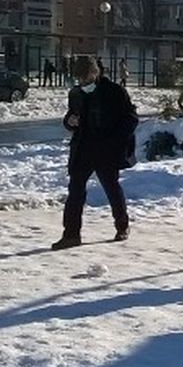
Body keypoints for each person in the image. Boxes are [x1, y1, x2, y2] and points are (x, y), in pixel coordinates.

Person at [53, 56, 140, 250]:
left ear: (95, 73)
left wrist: (116, 141)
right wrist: (69, 122)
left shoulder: (114, 92)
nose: (83, 83)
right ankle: (71, 234)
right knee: (75, 191)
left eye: (86, 78)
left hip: (106, 148)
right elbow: (70, 116)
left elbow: (131, 118)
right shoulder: (76, 93)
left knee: (111, 188)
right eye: (80, 80)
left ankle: (122, 225)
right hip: (83, 147)